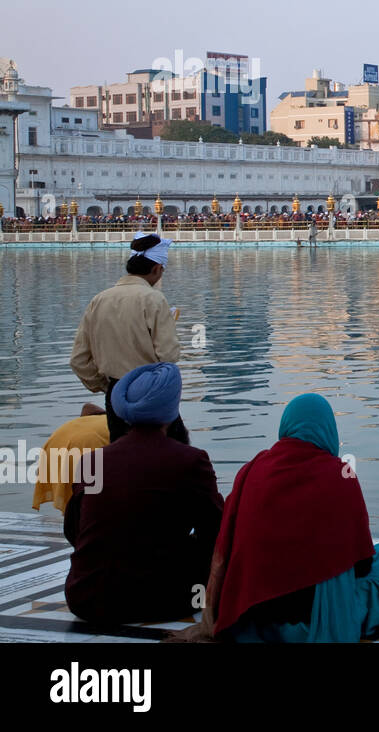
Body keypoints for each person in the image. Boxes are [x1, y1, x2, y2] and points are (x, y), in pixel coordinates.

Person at [190, 393, 379, 642]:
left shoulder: (251, 470)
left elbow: (227, 546)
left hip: (250, 617)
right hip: (317, 621)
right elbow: (361, 566)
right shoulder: (341, 475)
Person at [63, 363, 223, 625]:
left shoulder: (92, 461)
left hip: (87, 599)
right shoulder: (191, 460)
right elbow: (217, 532)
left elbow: (73, 531)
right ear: (172, 413)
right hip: (164, 600)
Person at [69, 233, 185, 443]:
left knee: (121, 458)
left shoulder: (99, 300)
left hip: (115, 396)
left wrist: (108, 386)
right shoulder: (154, 300)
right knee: (169, 458)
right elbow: (168, 355)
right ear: (157, 268)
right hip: (151, 394)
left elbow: (78, 360)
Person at [31, 403, 110, 513]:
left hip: (53, 445)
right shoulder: (113, 423)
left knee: (69, 493)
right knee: (94, 496)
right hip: (87, 447)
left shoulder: (77, 424)